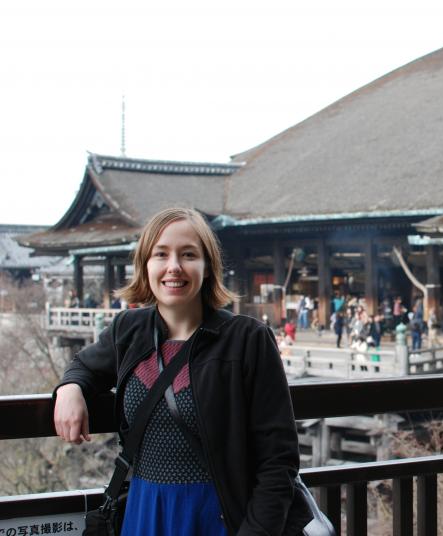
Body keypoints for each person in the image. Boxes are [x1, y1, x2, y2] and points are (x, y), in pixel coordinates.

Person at [52, 207, 310, 535]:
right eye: (161, 254)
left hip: (218, 516)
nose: (174, 266)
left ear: (207, 266)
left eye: (188, 254)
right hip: (145, 510)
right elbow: (83, 366)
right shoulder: (128, 330)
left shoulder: (246, 340)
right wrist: (70, 389)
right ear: (145, 266)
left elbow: (278, 460)